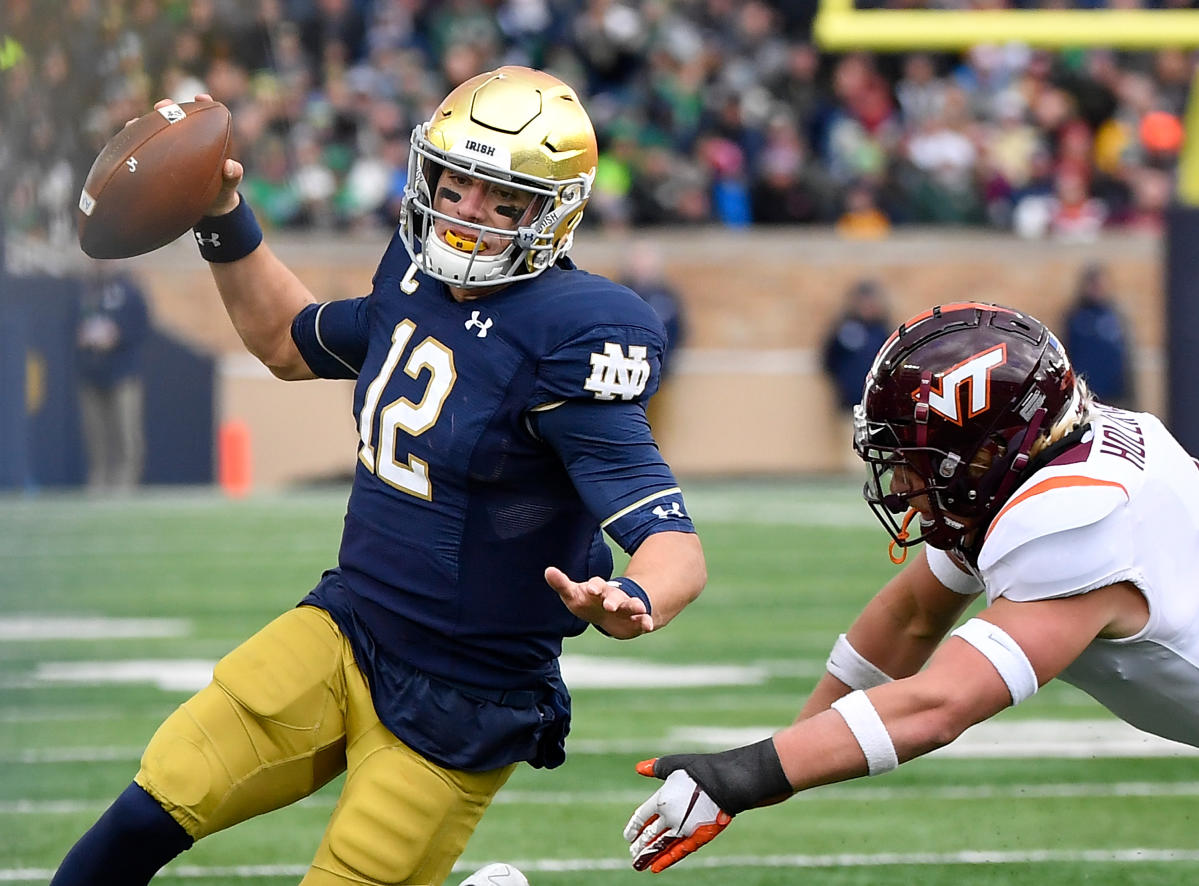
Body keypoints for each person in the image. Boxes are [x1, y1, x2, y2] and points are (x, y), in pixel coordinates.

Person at [51, 66, 707, 886]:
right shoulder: (413, 275)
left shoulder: (572, 334)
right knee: (150, 807)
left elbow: (670, 537)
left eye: (501, 201)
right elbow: (290, 342)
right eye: (456, 184)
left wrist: (636, 598)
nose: (466, 214)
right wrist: (220, 216)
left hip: (463, 696)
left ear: (552, 212)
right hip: (346, 624)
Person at [623, 301, 1199, 874]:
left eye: (917, 461)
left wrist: (742, 775)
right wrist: (795, 753)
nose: (900, 483)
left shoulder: (1079, 515)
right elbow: (912, 616)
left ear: (991, 450)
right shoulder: (1042, 459)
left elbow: (941, 703)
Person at [75, 260, 151, 492]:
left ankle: (125, 484)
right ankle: (99, 482)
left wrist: (118, 335)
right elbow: (72, 323)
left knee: (126, 432)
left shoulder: (129, 289)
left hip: (123, 372)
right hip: (91, 371)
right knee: (95, 434)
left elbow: (142, 325)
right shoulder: (85, 290)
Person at [820, 278, 891, 470]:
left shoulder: (882, 330)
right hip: (850, 399)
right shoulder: (844, 329)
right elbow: (828, 360)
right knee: (850, 445)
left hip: (876, 403)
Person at [1062, 262, 1133, 408]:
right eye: (1093, 285)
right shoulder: (1075, 317)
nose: (1097, 289)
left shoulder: (1115, 316)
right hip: (1086, 397)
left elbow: (1125, 358)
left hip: (1114, 396)